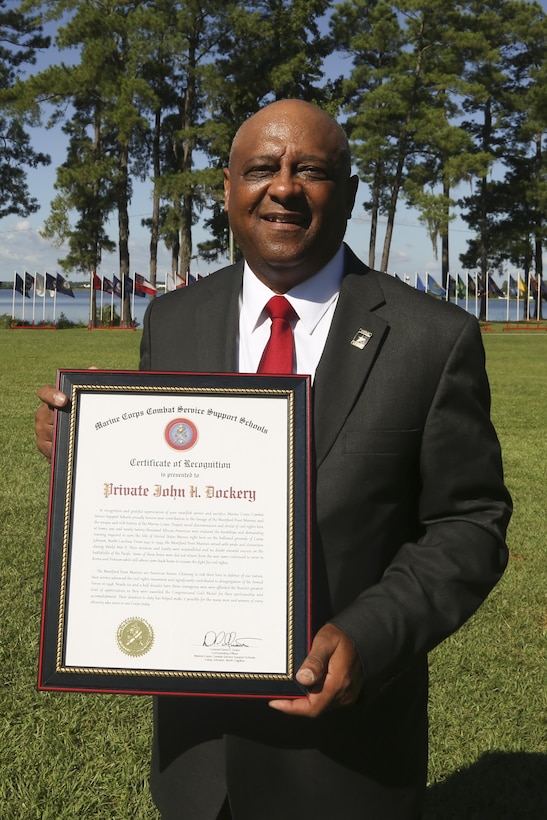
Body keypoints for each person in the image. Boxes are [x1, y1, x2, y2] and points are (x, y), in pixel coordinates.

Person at [35, 99, 512, 820]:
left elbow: (469, 520)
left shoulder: (429, 337)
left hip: (345, 753)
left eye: (310, 171)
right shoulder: (174, 318)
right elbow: (165, 479)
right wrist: (86, 447)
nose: (283, 187)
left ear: (347, 195)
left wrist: (369, 633)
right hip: (197, 753)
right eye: (261, 169)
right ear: (228, 188)